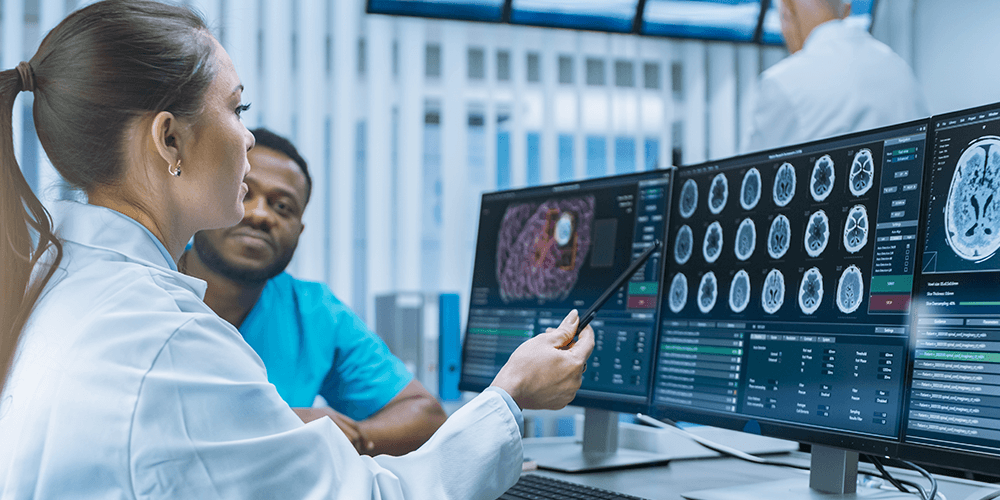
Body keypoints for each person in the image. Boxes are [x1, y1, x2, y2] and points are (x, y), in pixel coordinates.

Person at [0, 1, 594, 498]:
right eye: (236, 109)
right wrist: (511, 395)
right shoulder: (168, 339)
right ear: (169, 138)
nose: (248, 135)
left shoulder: (55, 288)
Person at [180, 127, 446, 456]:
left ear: (300, 230)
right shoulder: (145, 286)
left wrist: (353, 436)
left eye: (282, 207)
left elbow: (426, 415)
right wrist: (271, 427)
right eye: (244, 193)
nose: (261, 214)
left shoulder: (314, 312)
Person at [742, 0, 929, 153]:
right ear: (846, 10)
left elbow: (750, 181)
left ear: (787, 10)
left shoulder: (782, 82)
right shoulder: (899, 69)